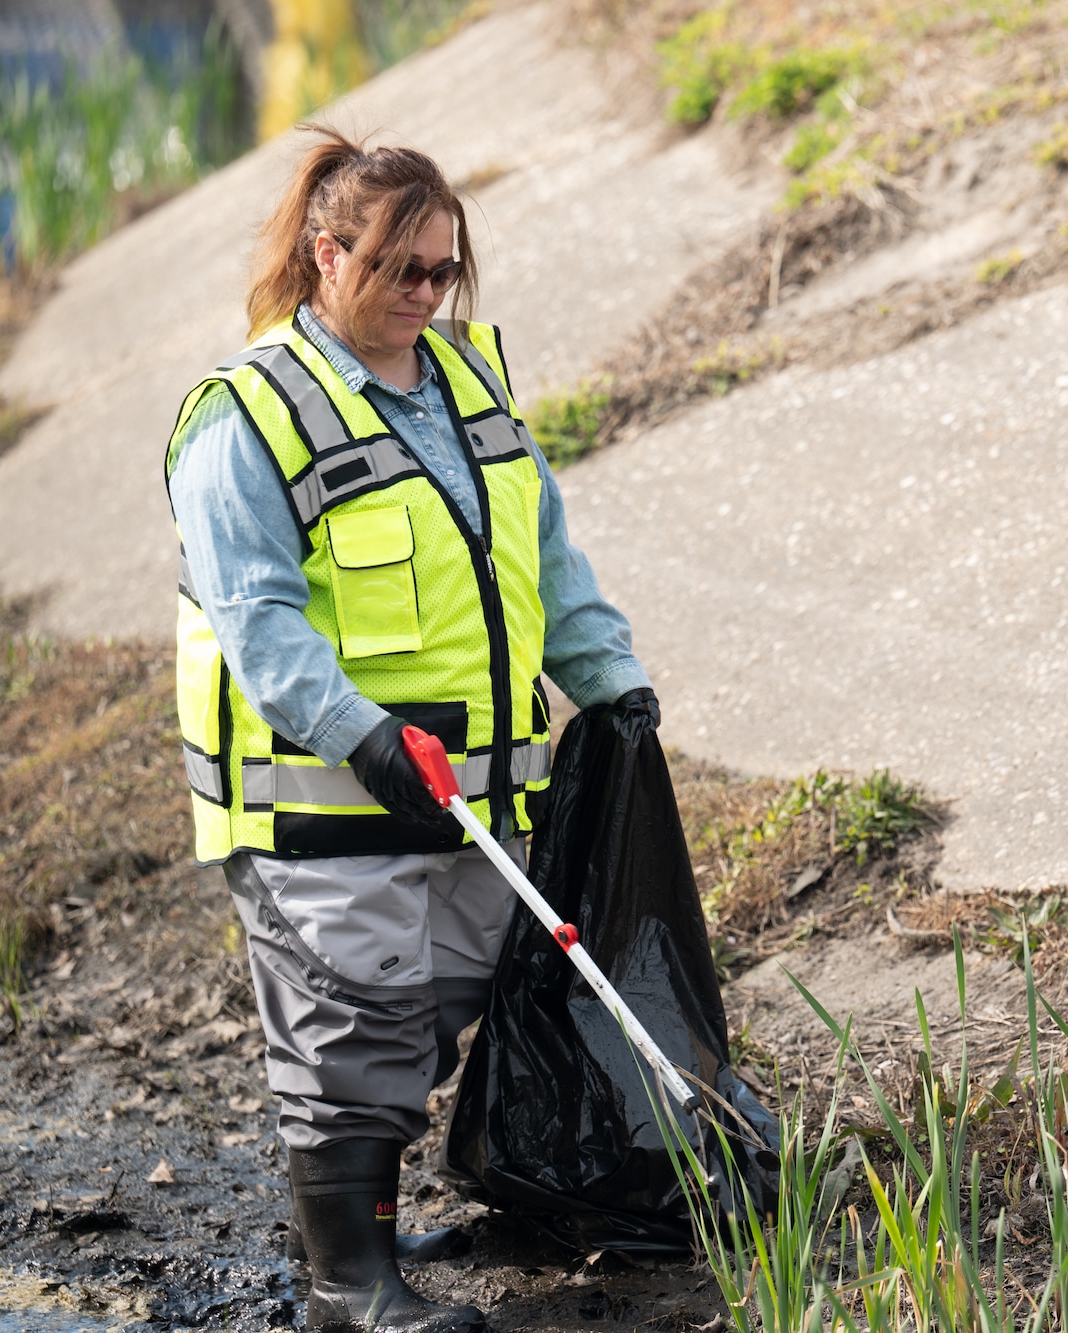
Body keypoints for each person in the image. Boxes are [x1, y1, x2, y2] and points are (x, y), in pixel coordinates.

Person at [163, 127, 657, 1333]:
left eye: (443, 272)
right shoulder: (247, 417)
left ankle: (361, 1226)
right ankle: (348, 1282)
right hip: (327, 800)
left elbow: (542, 554)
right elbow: (257, 622)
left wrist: (613, 684)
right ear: (327, 255)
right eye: (402, 273)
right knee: (353, 1021)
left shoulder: (467, 383)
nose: (427, 298)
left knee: (434, 1004)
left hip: (475, 797)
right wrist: (364, 734)